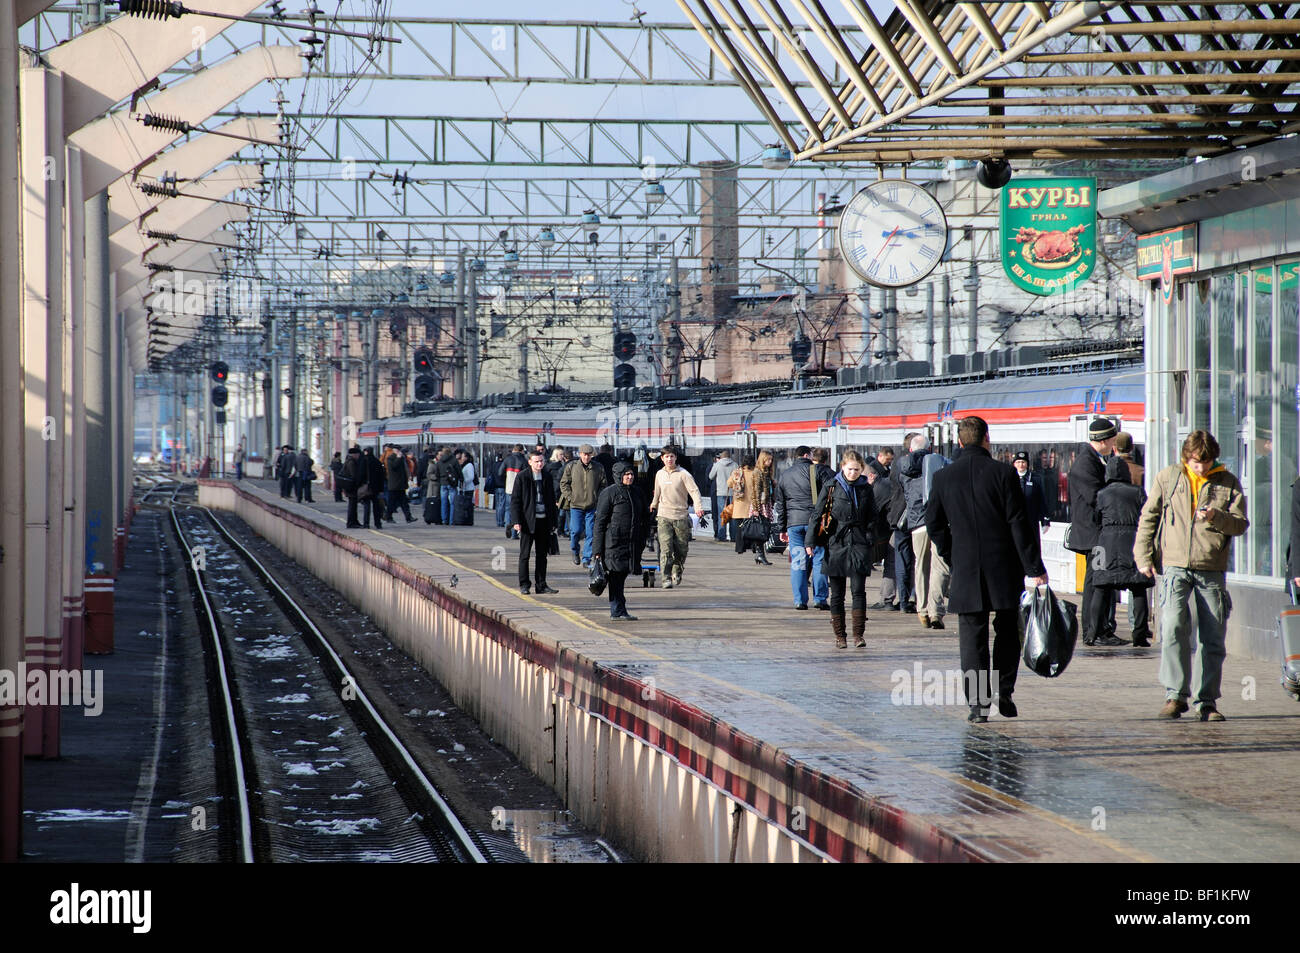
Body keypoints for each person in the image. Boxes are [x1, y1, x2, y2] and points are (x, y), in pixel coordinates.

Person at [926, 416, 1048, 722]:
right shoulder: (1004, 473)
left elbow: (934, 524)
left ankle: (978, 705)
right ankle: (1004, 689)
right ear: (986, 439)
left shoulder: (943, 477)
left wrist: (951, 554)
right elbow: (1019, 524)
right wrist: (1034, 566)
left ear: (959, 441)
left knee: (972, 637)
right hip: (1003, 566)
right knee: (1008, 629)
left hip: (966, 567)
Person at [1134, 430, 1248, 721]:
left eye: (1206, 462)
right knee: (1173, 627)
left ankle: (1206, 701)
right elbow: (1149, 516)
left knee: (1213, 636)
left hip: (1211, 568)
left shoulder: (1227, 482)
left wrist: (1216, 517)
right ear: (1187, 457)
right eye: (1197, 463)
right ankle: (1175, 695)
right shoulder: (1169, 477)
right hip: (1174, 566)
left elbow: (1240, 525)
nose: (1202, 468)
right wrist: (1143, 556)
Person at [806, 449, 876, 648]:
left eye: (857, 470)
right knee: (837, 593)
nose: (853, 473)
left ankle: (858, 636)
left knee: (858, 591)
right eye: (850, 469)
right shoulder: (831, 486)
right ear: (842, 467)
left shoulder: (866, 489)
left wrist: (870, 535)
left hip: (859, 543)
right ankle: (840, 636)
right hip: (836, 543)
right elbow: (817, 514)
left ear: (861, 469)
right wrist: (810, 542)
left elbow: (873, 515)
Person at [1069, 416, 1123, 646]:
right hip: (1094, 536)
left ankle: (1099, 629)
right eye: (1113, 439)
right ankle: (1094, 631)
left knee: (1100, 580)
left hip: (1098, 534)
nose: (1114, 444)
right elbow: (1096, 497)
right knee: (1096, 583)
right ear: (1105, 440)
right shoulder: (1086, 464)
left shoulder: (1096, 460)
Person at [1093, 456, 1153, 647]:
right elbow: (1146, 515)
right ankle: (1140, 635)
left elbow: (1096, 518)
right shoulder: (1137, 492)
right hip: (1132, 542)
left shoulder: (1101, 493)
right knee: (1138, 588)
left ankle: (1092, 633)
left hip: (1105, 545)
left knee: (1100, 587)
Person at [900, 434, 950, 630]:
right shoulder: (939, 463)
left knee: (921, 566)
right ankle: (935, 611)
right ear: (930, 449)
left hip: (916, 524)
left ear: (910, 450)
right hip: (938, 521)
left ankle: (922, 611)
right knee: (940, 566)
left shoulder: (902, 468)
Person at [774, 446, 830, 611]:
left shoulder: (785, 475)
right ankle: (820, 599)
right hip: (816, 524)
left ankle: (800, 600)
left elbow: (781, 505)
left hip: (794, 524)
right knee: (819, 559)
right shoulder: (817, 471)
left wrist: (782, 528)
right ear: (807, 455)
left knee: (798, 562)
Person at [593, 460, 647, 620]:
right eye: (626, 474)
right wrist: (597, 550)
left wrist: (643, 537)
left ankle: (620, 609)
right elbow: (600, 522)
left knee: (622, 575)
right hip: (613, 542)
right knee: (615, 576)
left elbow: (644, 515)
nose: (630, 477)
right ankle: (617, 610)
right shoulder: (609, 493)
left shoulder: (637, 492)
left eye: (631, 474)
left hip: (631, 542)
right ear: (618, 476)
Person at [649, 444, 705, 588]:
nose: (669, 459)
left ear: (676, 458)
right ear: (662, 458)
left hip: (680, 516)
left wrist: (698, 508)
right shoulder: (659, 474)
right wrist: (653, 505)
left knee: (681, 549)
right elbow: (657, 491)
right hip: (663, 516)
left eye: (672, 456)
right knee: (666, 548)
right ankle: (666, 577)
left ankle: (677, 570)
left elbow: (694, 491)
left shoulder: (684, 474)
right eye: (666, 457)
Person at [510, 449, 559, 595]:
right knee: (525, 554)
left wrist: (554, 522)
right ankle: (524, 584)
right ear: (530, 462)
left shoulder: (547, 476)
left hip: (544, 521)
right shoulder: (522, 476)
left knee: (542, 555)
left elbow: (551, 500)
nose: (539, 464)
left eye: (541, 461)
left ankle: (541, 584)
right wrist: (516, 521)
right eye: (536, 461)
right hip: (527, 521)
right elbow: (515, 501)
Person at [561, 443, 609, 568]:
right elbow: (564, 484)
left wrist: (598, 498)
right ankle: (575, 551)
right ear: (580, 454)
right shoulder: (571, 467)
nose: (587, 457)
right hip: (576, 506)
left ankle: (586, 558)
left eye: (589, 454)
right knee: (575, 530)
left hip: (591, 506)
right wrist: (571, 497)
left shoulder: (598, 468)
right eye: (584, 454)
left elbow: (603, 485)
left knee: (591, 533)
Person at [889, 434, 919, 614]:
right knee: (921, 559)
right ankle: (917, 596)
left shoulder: (897, 464)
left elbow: (893, 487)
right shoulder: (925, 463)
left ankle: (903, 599)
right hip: (919, 517)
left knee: (902, 559)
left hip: (900, 516)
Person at [867, 448, 898, 610]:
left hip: (888, 526)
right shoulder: (876, 471)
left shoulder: (881, 482)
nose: (889, 462)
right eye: (887, 459)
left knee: (892, 561)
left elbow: (874, 509)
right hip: (897, 524)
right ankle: (908, 599)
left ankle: (887, 599)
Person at [728, 451, 772, 565]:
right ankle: (755, 548)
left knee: (740, 528)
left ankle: (740, 548)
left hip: (740, 503)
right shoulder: (756, 473)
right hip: (752, 504)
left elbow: (729, 484)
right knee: (754, 528)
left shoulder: (737, 473)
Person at [1012, 451, 1050, 529]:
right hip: (1014, 521)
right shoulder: (1009, 478)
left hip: (1031, 520)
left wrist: (1045, 520)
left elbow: (1041, 500)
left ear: (1027, 464)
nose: (1021, 465)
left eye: (1023, 462)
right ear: (1014, 464)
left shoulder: (1035, 479)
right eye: (1018, 462)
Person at [708, 450, 738, 542]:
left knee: (722, 514)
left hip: (720, 492)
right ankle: (733, 536)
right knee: (733, 514)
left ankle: (722, 536)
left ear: (721, 456)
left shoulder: (717, 465)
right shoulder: (735, 465)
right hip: (733, 493)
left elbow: (710, 476)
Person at [500, 444, 527, 538]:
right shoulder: (524, 461)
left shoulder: (507, 459)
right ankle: (515, 533)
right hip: (520, 489)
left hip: (509, 488)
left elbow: (500, 472)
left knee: (508, 510)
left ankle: (508, 530)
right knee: (518, 510)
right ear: (521, 451)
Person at [386, 446, 415, 522]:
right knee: (391, 503)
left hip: (401, 484)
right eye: (398, 450)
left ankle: (408, 517)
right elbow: (393, 467)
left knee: (404, 502)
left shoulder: (402, 458)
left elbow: (405, 469)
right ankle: (388, 517)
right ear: (394, 450)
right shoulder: (390, 458)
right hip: (394, 485)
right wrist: (398, 458)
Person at [360, 446, 386, 529]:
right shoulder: (377, 462)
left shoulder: (363, 461)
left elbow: (360, 475)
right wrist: (381, 489)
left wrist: (360, 485)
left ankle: (366, 524)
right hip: (376, 488)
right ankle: (378, 523)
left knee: (367, 506)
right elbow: (381, 476)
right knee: (376, 507)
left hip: (366, 488)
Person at [547, 448, 570, 537]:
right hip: (557, 491)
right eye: (561, 454)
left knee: (561, 511)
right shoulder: (556, 467)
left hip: (556, 490)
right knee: (561, 511)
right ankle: (560, 529)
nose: (563, 456)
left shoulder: (558, 465)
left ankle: (560, 529)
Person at [437, 444, 462, 524]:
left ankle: (444, 520)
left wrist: (440, 480)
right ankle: (452, 520)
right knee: (452, 503)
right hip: (452, 483)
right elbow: (459, 471)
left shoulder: (440, 461)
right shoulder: (454, 460)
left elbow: (437, 473)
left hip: (443, 483)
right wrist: (461, 479)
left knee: (443, 502)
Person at [341, 446, 363, 527]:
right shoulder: (351, 462)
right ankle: (351, 522)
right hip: (351, 487)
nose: (358, 456)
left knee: (353, 505)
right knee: (352, 505)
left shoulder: (348, 461)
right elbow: (354, 475)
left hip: (349, 487)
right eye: (357, 454)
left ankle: (354, 521)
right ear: (354, 454)